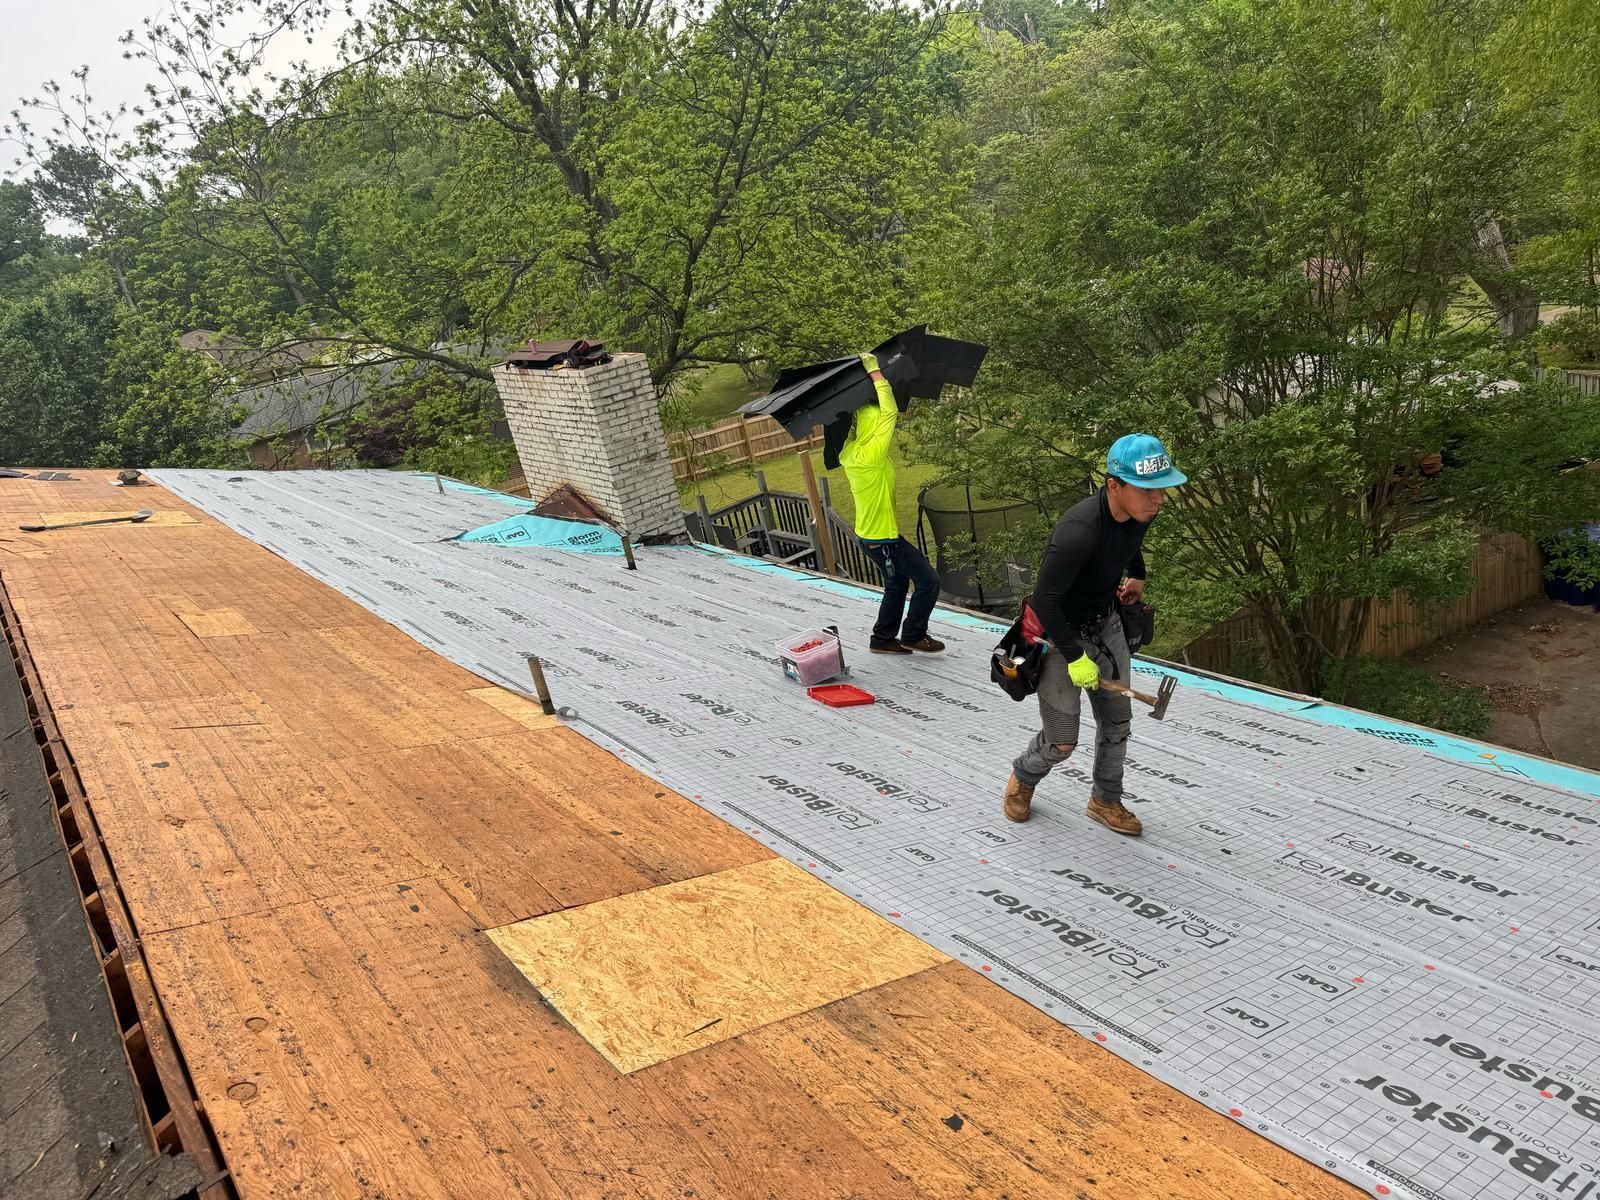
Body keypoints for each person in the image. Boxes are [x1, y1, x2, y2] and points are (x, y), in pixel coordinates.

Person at [1003, 434, 1186, 836]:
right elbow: (1046, 602)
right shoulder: (1078, 531)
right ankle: (1023, 777)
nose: (1159, 500)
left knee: (1118, 725)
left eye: (1163, 489)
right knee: (1061, 742)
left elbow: (1129, 541)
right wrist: (1074, 657)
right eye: (1149, 491)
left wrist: (1137, 573)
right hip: (1058, 635)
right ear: (1113, 485)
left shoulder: (1143, 512)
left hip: (1106, 625)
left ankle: (1105, 799)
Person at [838, 351, 944, 655]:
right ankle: (912, 634)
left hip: (871, 535)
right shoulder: (871, 455)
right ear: (874, 431)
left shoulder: (850, 452)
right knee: (928, 581)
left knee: (897, 585)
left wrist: (855, 404)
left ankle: (882, 639)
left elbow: (855, 427)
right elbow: (888, 413)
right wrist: (875, 374)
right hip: (882, 539)